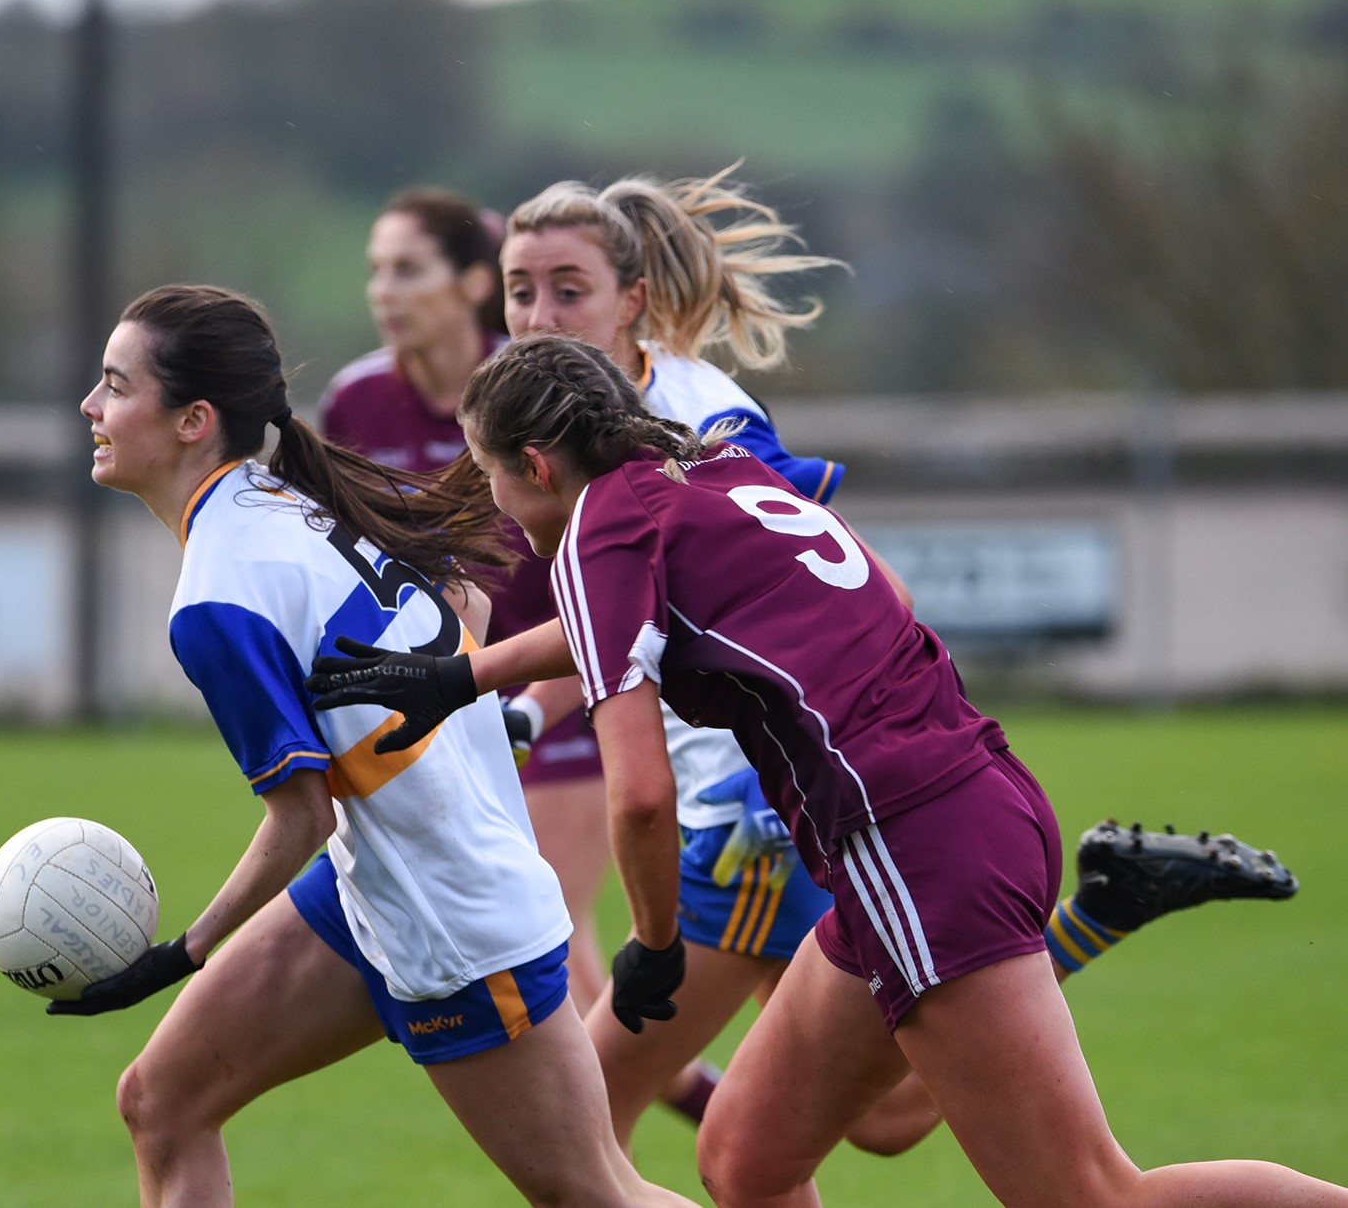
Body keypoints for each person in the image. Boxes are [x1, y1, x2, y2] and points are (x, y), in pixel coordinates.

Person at [314, 332, 1346, 1207]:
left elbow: (638, 795)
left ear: (535, 465)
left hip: (912, 842)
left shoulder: (596, 533)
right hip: (944, 813)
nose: (493, 506)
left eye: (487, 475)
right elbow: (649, 627)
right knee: (745, 1156)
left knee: (1086, 1192)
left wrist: (655, 944)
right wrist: (462, 676)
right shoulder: (706, 469)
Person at [485, 168, 1297, 1154]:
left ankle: (1089, 918)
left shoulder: (699, 430)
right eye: (518, 290)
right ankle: (1096, 914)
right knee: (840, 1127)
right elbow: (624, 623)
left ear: (634, 300)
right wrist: (503, 701)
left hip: (750, 818)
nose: (534, 314)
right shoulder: (588, 430)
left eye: (565, 288)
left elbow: (797, 600)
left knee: (586, 1128)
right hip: (838, 814)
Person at [62, 285, 696, 1208]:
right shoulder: (288, 496)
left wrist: (182, 952)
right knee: (161, 1101)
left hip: (455, 926)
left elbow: (302, 815)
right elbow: (461, 606)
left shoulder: (215, 598)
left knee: (596, 1195)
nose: (91, 406)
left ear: (195, 420)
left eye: (115, 386)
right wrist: (468, 739)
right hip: (377, 887)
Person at [319, 187, 616, 1019]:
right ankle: (694, 1126)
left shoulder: (531, 387)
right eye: (376, 271)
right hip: (437, 702)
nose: (384, 291)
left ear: (471, 285)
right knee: (548, 979)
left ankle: (688, 1132)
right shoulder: (355, 402)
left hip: (548, 690)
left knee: (558, 963)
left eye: (408, 269)